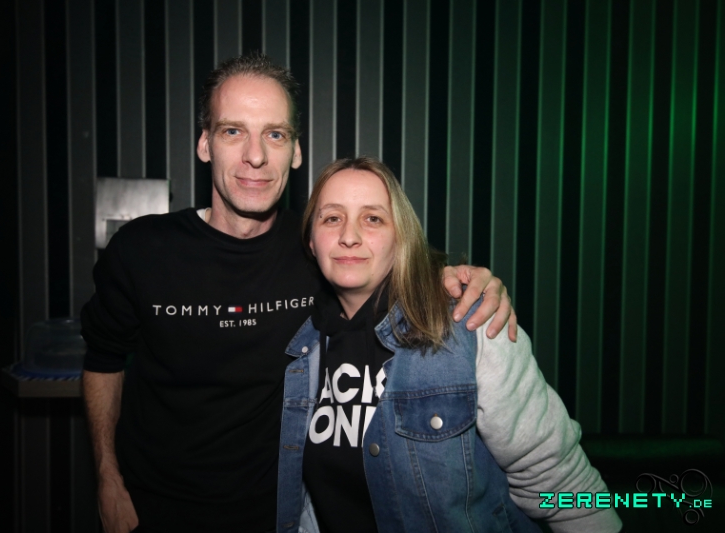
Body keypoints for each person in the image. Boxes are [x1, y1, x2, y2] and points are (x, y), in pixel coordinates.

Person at [81, 54, 515, 533]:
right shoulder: (142, 249)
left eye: (275, 134)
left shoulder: (321, 250)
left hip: (279, 516)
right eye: (232, 131)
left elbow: (397, 265)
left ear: (296, 151)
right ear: (205, 144)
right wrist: (106, 477)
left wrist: (463, 282)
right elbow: (102, 360)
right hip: (151, 511)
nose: (255, 156)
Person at [276, 157, 622, 533]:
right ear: (311, 241)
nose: (349, 235)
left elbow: (560, 480)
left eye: (373, 218)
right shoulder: (303, 352)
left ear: (400, 238)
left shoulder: (466, 325)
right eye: (332, 218)